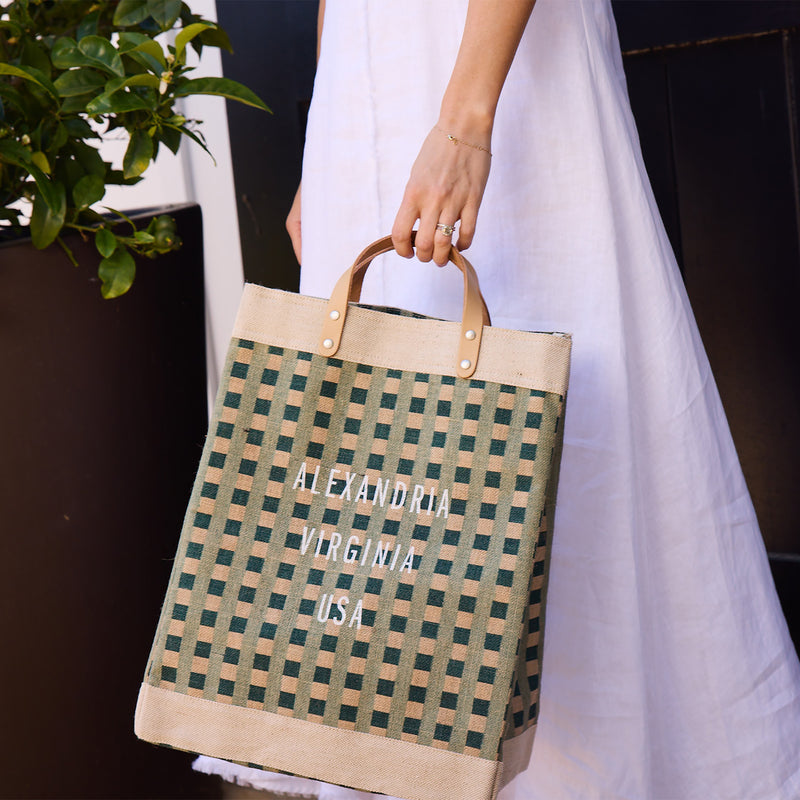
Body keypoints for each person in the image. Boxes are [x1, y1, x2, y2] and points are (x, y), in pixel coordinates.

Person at [196, 1, 800, 797]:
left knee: (577, 426)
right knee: (387, 467)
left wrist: (466, 120)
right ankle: (412, 758)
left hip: (494, 68)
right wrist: (327, 125)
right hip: (364, 76)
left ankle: (627, 771)